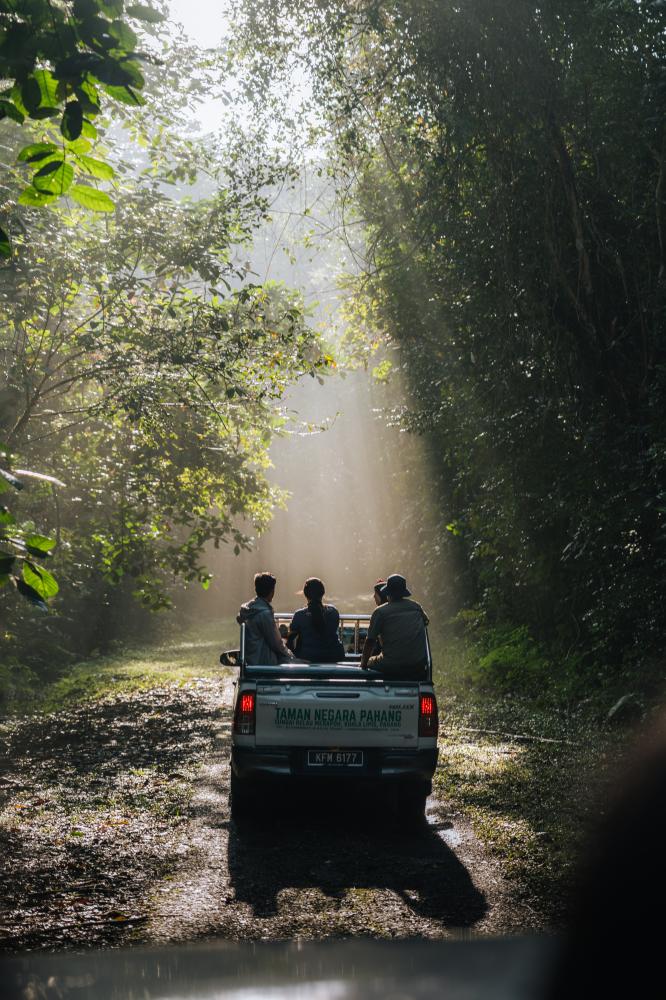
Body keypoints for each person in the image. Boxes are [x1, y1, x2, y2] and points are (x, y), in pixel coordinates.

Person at [360, 573, 429, 678]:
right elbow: (426, 622)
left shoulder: (380, 612)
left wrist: (363, 665)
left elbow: (370, 641)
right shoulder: (416, 607)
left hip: (391, 665)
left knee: (370, 661)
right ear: (404, 592)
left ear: (388, 594)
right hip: (417, 665)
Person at [237, 571, 293, 665]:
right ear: (272, 591)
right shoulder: (264, 614)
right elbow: (276, 644)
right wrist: (291, 656)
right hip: (264, 662)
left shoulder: (248, 610)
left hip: (251, 661)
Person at [287, 577, 345, 663]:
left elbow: (290, 640)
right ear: (323, 593)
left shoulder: (299, 615)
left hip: (307, 658)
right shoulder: (333, 612)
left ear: (305, 594)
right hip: (332, 657)